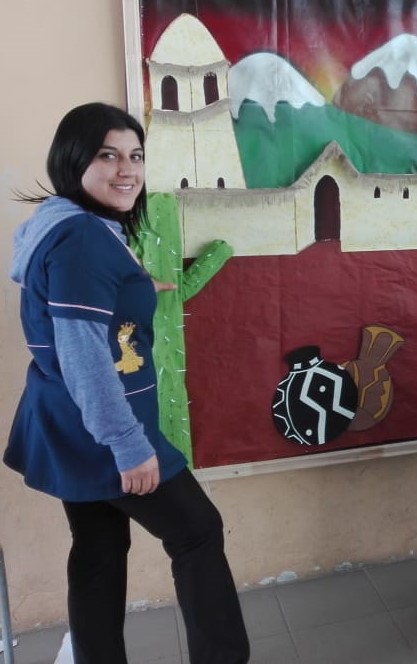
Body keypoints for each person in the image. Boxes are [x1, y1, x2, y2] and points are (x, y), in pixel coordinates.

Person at [4, 103, 250, 663]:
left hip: (65, 417)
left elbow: (77, 307)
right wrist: (127, 445)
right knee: (196, 531)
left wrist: (135, 287)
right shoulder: (83, 240)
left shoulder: (65, 223)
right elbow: (83, 353)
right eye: (108, 155)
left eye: (136, 156)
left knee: (98, 546)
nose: (127, 170)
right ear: (73, 161)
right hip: (101, 425)